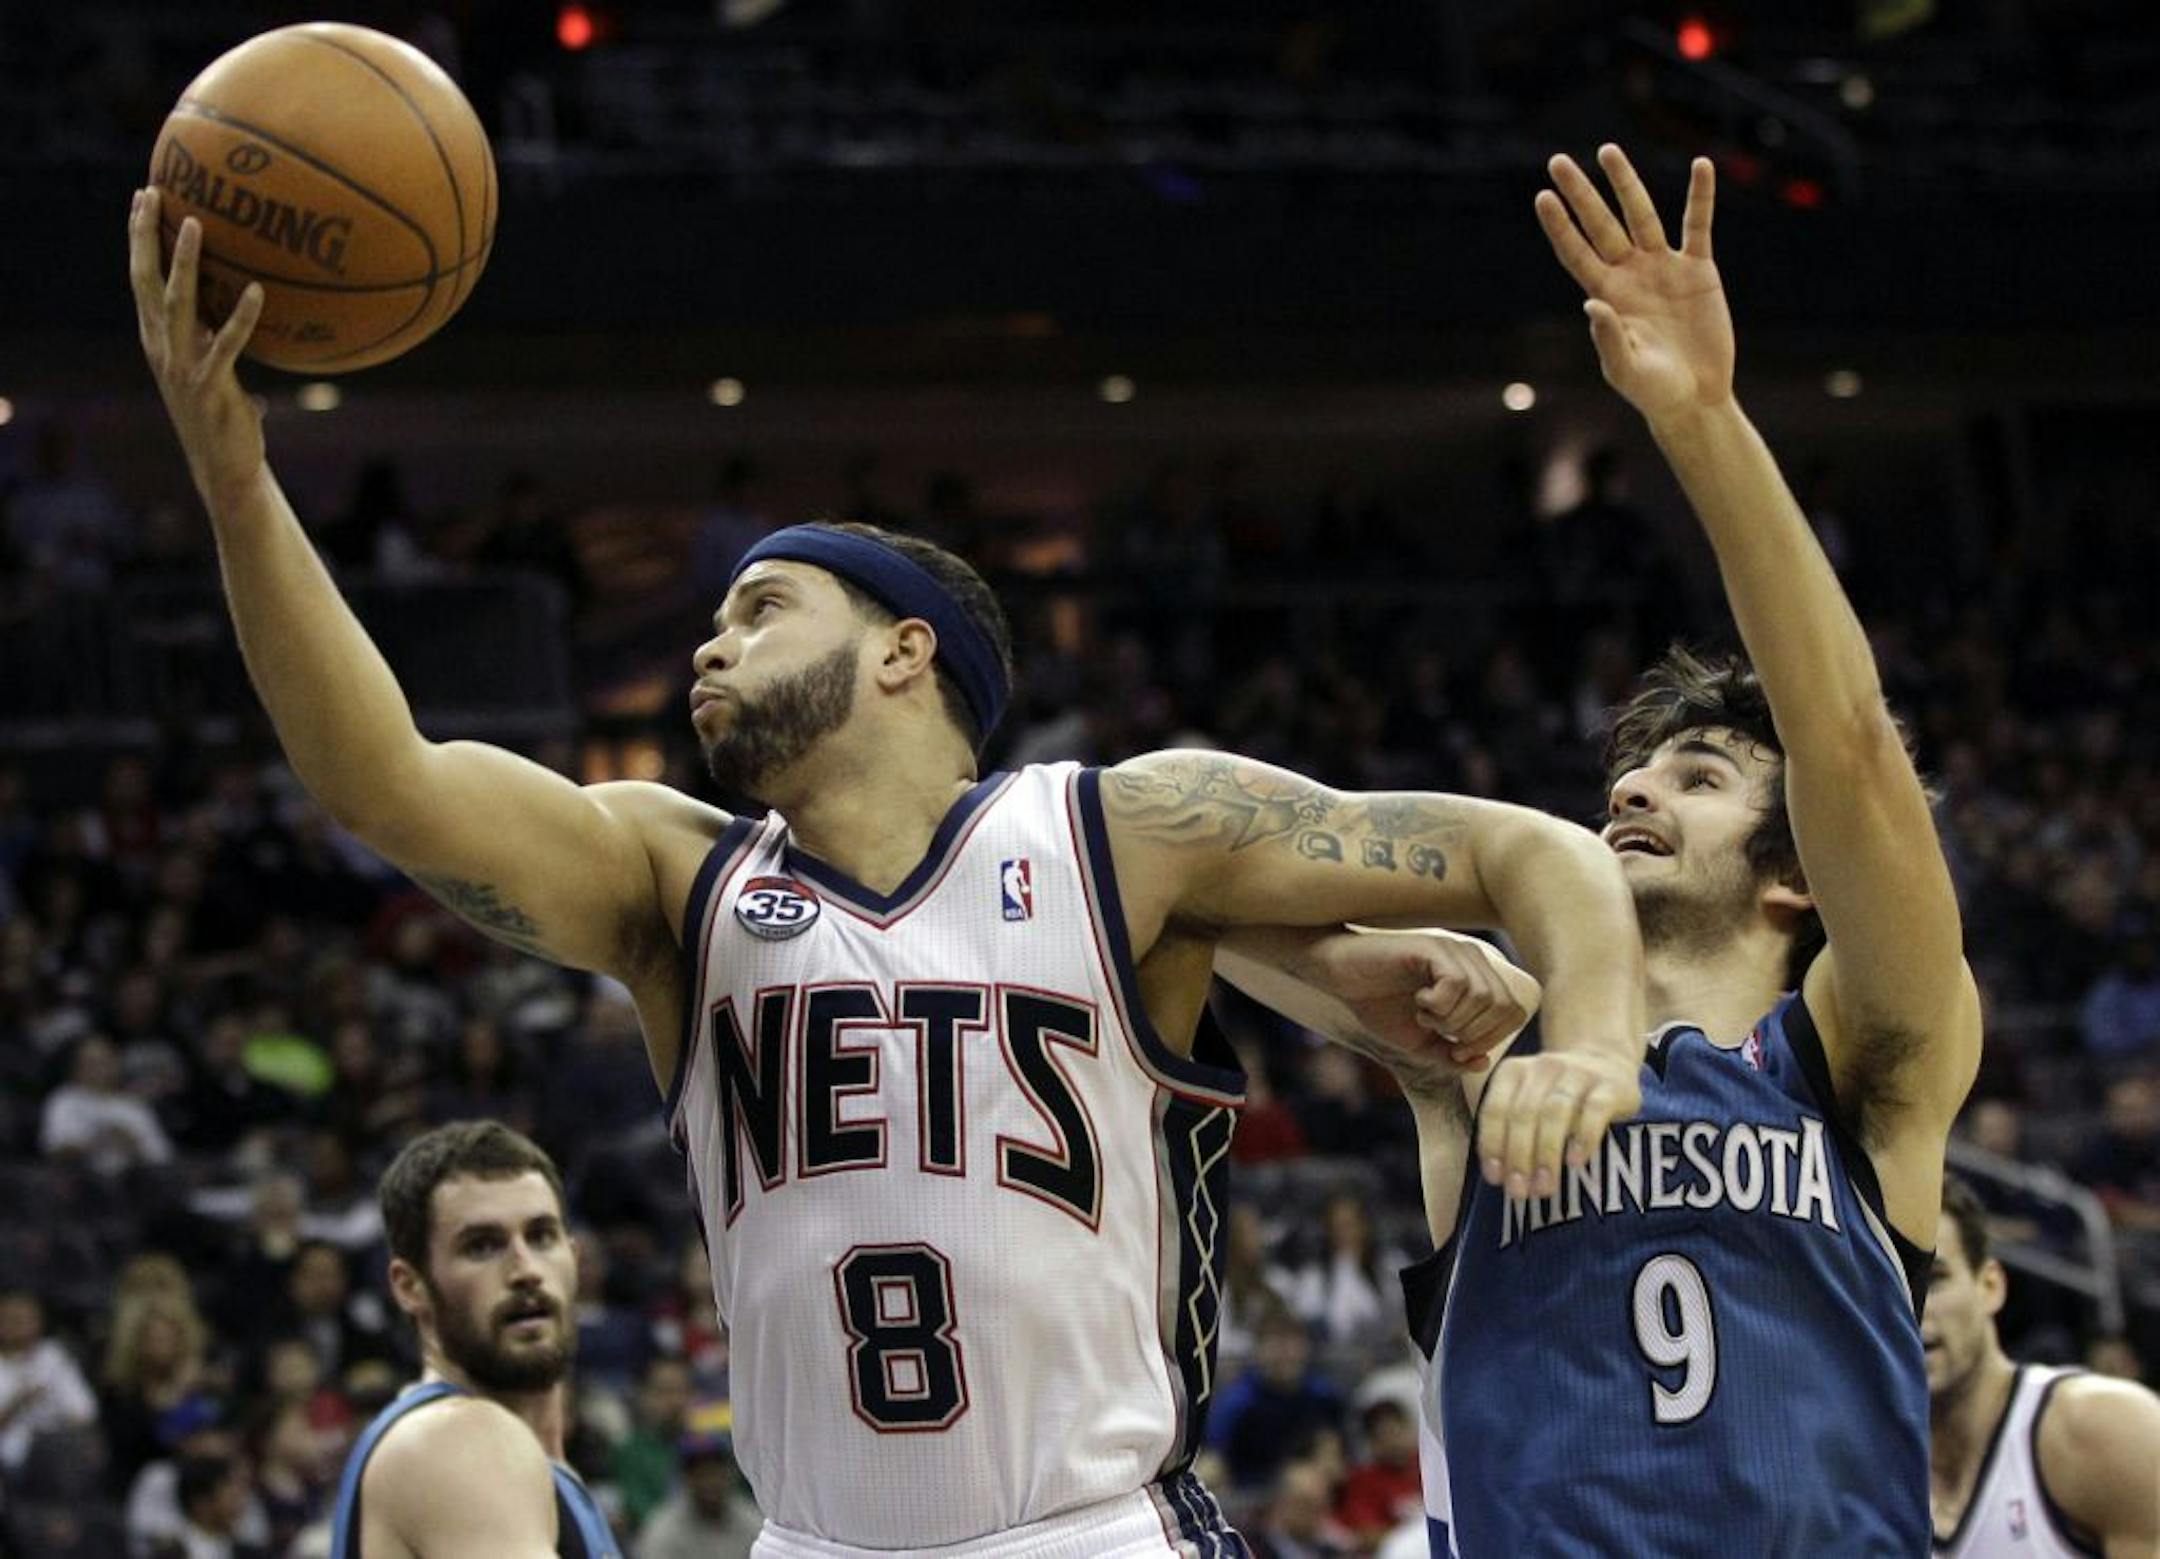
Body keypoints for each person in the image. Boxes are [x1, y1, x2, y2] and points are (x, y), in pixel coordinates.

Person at [131, 184, 1647, 1555]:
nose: (711, 644)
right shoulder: (678, 877)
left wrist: (1589, 1043)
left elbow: (1530, 847)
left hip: (1091, 1531)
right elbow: (380, 780)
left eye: (762, 608)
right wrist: (239, 484)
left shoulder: (1125, 828)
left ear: (904, 650)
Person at [1225, 144, 1980, 1556]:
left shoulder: (1857, 1056)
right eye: (1629, 772)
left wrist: (1700, 420)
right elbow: (1186, 894)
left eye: (1699, 775)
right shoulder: (1479, 1050)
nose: (1633, 788)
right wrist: (1384, 965)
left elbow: (1851, 746)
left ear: (1796, 872)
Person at [326, 1119, 619, 1557]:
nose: (526, 1271)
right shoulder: (453, 1441)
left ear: (574, 1258)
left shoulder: (538, 1465)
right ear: (410, 1286)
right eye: (482, 1246)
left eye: (541, 1237)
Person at [1927, 1176, 2160, 1555]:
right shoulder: (1855, 1479)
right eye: (1888, 1287)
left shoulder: (2110, 1431)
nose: (1912, 1309)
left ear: (1990, 1286)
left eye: (1934, 1280)